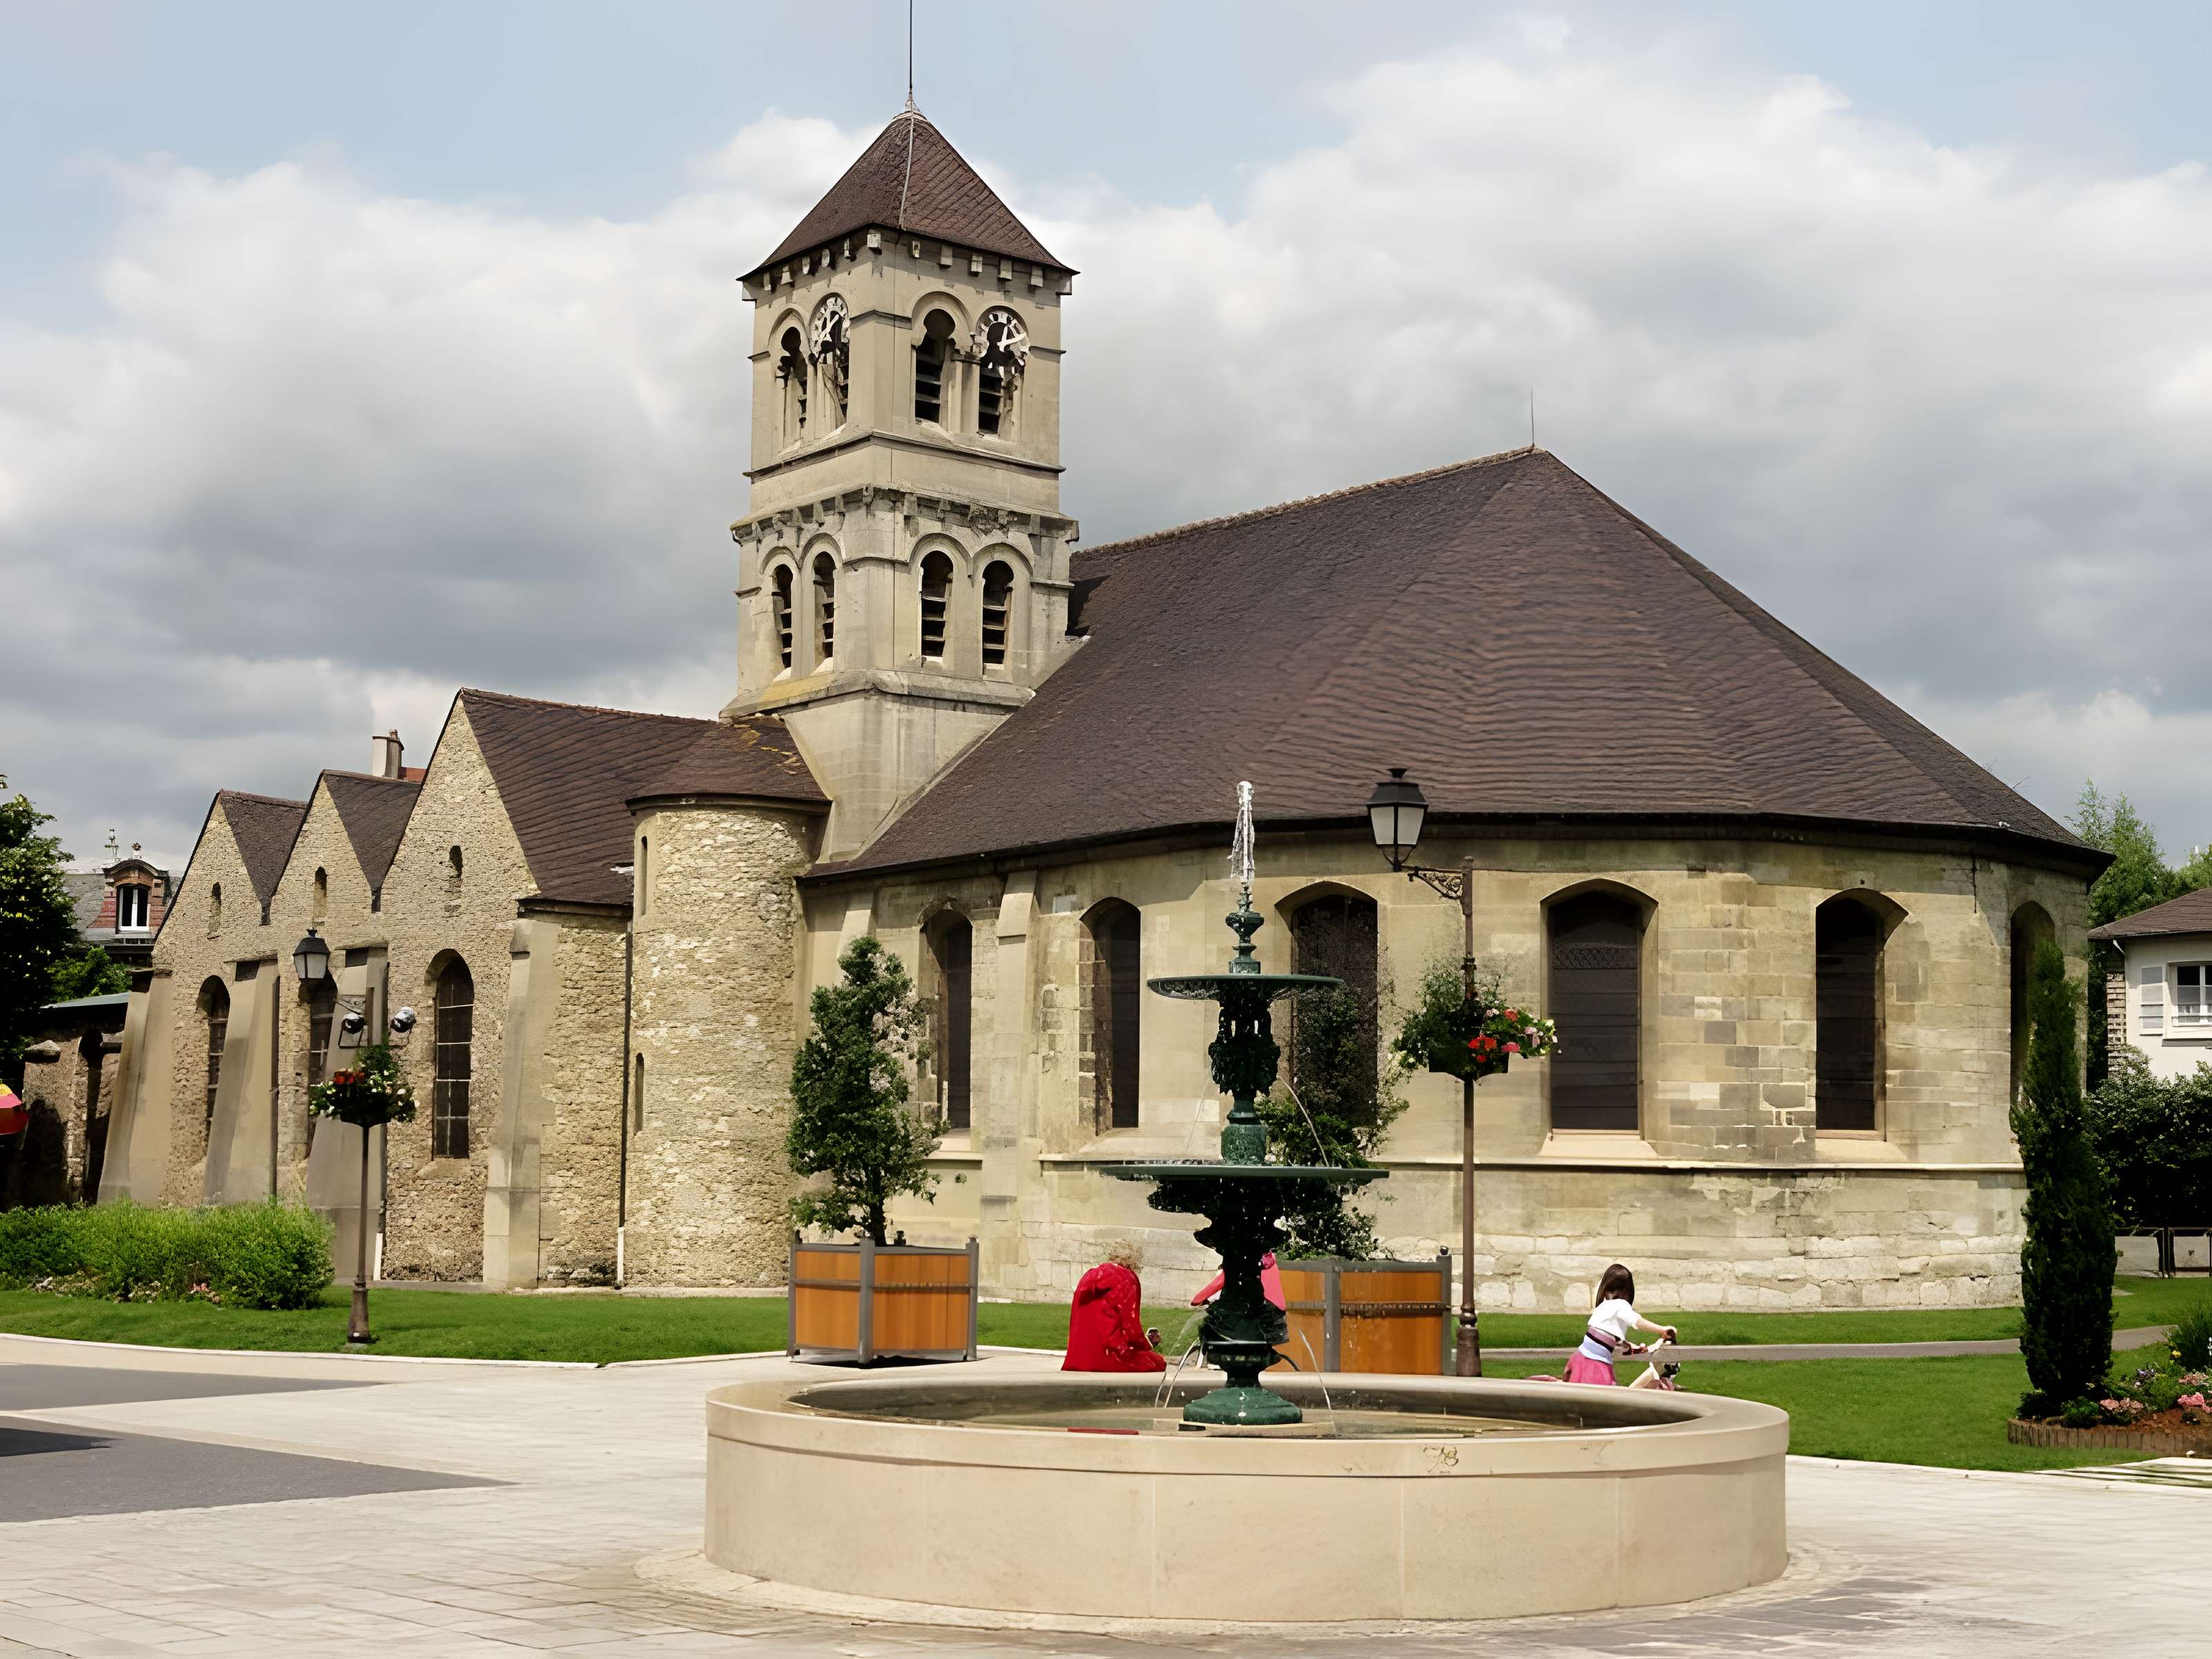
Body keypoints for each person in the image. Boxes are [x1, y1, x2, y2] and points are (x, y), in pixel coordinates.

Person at [1562, 1263, 1676, 1387]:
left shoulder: (1603, 1307)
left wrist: (1634, 1347)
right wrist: (1662, 1330)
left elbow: (1608, 1337)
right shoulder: (1621, 1304)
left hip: (1582, 1356)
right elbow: (1638, 1322)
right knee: (1605, 1394)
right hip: (1596, 1362)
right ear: (1628, 1292)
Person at [1062, 1245, 1167, 1373]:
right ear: (1133, 1261)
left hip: (1077, 1359)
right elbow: (1130, 1325)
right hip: (1108, 1356)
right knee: (1158, 1362)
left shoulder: (1090, 1275)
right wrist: (1147, 1343)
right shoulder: (1126, 1278)